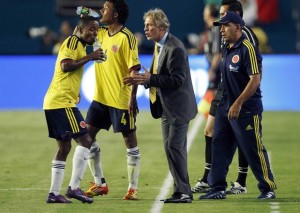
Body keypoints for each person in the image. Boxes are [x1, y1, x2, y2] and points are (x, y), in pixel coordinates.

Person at [199, 11, 277, 200]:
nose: (222, 30)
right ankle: (217, 187)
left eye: (225, 26)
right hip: (226, 106)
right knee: (220, 145)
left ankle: (267, 188)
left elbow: (255, 80)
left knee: (252, 148)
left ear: (237, 27)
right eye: (221, 26)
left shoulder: (247, 49)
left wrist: (239, 103)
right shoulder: (226, 48)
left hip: (246, 108)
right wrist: (223, 104)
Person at [123, 8, 197, 203]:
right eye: (145, 25)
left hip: (179, 108)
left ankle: (184, 192)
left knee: (175, 147)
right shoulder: (159, 45)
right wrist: (145, 80)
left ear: (162, 27)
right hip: (165, 107)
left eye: (149, 25)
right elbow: (158, 75)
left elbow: (177, 80)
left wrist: (151, 78)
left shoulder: (175, 48)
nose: (145, 29)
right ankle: (180, 189)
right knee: (169, 147)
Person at [192, 0, 260, 195]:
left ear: (236, 16)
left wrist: (242, 98)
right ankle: (208, 178)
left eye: (224, 14)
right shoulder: (223, 33)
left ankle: (241, 180)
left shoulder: (246, 36)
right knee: (210, 130)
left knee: (241, 136)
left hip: (238, 91)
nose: (220, 18)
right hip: (223, 89)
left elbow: (254, 70)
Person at [43, 16, 106, 204]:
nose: (94, 33)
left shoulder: (80, 45)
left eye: (96, 30)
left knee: (64, 147)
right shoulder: (72, 41)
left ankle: (54, 194)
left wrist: (76, 91)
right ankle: (73, 188)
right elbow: (65, 66)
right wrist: (90, 57)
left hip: (56, 101)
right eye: (91, 29)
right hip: (61, 102)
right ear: (80, 29)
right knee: (86, 139)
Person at [84, 0, 141, 200]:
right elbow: (81, 28)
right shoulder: (99, 33)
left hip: (120, 98)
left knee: (129, 140)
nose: (102, 10)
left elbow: (134, 69)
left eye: (105, 8)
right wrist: (86, 12)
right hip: (100, 98)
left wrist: (132, 97)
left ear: (115, 14)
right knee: (86, 137)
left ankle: (132, 188)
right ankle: (100, 183)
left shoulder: (127, 38)